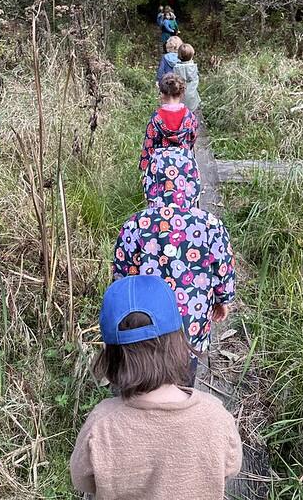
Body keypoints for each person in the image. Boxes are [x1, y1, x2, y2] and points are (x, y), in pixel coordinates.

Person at [70, 275, 243, 500]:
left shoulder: (102, 423)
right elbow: (231, 468)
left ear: (111, 355)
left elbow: (82, 478)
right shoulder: (216, 416)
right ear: (179, 341)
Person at [115, 149, 236, 359]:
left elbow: (120, 276)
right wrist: (222, 299)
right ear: (193, 180)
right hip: (192, 321)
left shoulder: (134, 225)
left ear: (151, 181)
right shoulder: (210, 225)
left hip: (144, 324)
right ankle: (185, 389)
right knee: (186, 369)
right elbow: (222, 267)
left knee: (148, 370)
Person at [139, 72, 198, 174]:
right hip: (183, 165)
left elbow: (148, 144)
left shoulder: (156, 119)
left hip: (160, 168)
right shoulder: (190, 117)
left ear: (162, 94)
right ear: (182, 93)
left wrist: (144, 167)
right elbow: (192, 139)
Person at [175, 43, 201, 112]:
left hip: (180, 98)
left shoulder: (176, 68)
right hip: (192, 97)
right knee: (192, 112)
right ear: (192, 56)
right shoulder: (194, 67)